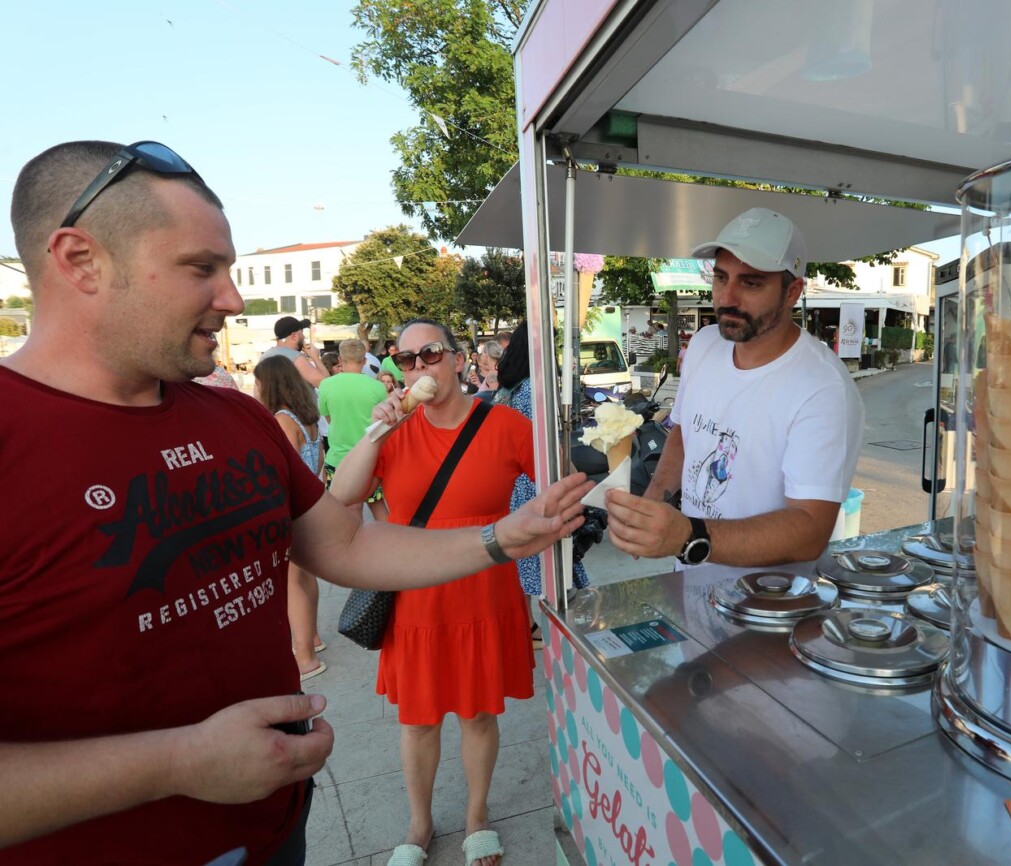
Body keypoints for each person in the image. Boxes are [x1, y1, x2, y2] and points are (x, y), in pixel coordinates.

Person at [0, 139, 591, 864]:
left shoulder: (239, 422)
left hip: (280, 830)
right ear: (79, 260)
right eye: (200, 269)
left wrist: (503, 538)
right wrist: (179, 763)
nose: (234, 300)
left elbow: (342, 543)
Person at [330, 320, 532, 866]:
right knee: (418, 719)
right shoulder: (395, 430)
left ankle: (477, 816)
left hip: (484, 589)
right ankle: (419, 824)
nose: (420, 367)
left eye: (432, 354)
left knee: (477, 714)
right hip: (416, 591)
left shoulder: (506, 423)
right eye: (407, 359)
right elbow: (343, 494)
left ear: (459, 359)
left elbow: (553, 479)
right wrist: (378, 432)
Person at [605, 207, 864, 567]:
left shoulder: (823, 388)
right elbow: (684, 433)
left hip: (770, 607)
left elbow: (810, 530)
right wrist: (652, 503)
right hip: (691, 585)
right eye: (722, 278)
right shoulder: (704, 344)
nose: (727, 298)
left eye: (751, 283)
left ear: (793, 292)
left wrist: (689, 536)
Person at [492, 323, 590, 649]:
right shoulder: (536, 388)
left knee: (521, 561)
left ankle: (527, 627)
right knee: (550, 557)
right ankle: (552, 628)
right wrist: (578, 482)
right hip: (535, 481)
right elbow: (548, 442)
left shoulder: (509, 387)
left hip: (511, 483)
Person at [253, 355, 328, 682]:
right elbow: (320, 461)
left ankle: (305, 657)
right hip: (308, 504)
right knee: (305, 578)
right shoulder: (306, 417)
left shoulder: (282, 419)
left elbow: (282, 468)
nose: (255, 387)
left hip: (289, 508)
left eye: (257, 381)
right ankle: (311, 638)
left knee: (291, 582)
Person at [318, 338, 390, 524]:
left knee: (348, 511)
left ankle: (353, 549)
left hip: (339, 458)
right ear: (364, 360)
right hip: (370, 457)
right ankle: (391, 546)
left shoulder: (327, 385)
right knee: (378, 505)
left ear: (340, 359)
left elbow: (328, 418)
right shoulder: (377, 387)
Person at [263, 316, 329, 387]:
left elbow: (257, 393)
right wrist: (315, 358)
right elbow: (327, 385)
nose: (303, 337)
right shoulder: (295, 357)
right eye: (302, 333)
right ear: (294, 336)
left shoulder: (264, 357)